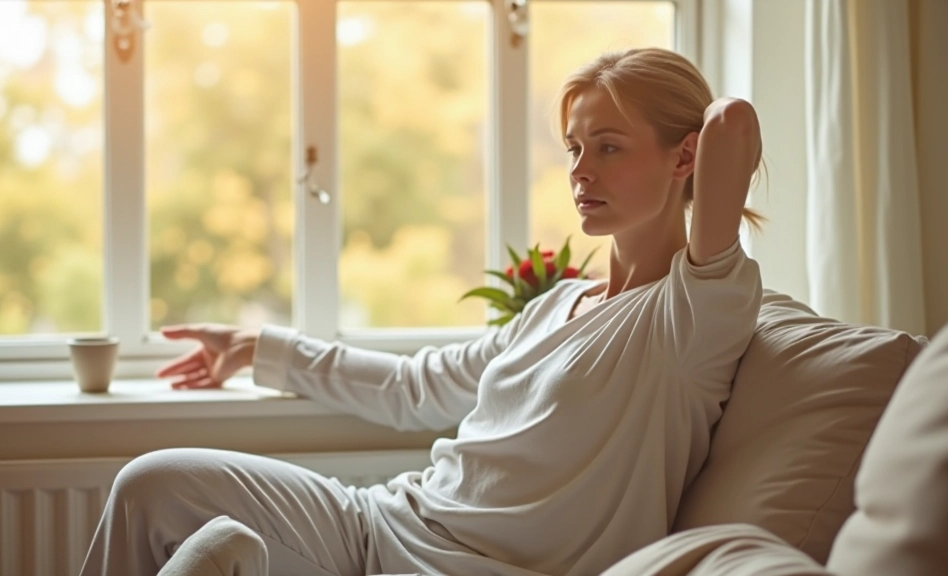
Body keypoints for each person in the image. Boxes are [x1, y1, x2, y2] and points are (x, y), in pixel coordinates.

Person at [79, 47, 764, 576]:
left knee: (212, 544)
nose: (581, 170)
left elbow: (732, 121)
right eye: (575, 148)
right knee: (150, 483)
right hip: (383, 521)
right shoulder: (558, 303)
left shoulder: (693, 314)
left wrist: (701, 139)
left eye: (609, 147)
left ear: (683, 158)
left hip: (454, 566)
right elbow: (418, 386)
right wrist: (259, 348)